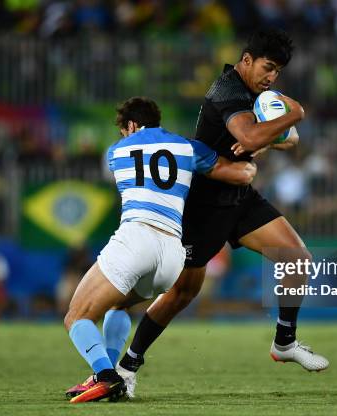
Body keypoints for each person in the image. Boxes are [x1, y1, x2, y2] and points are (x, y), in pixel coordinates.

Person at [114, 28, 329, 398]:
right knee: (182, 294)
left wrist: (271, 136)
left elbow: (287, 139)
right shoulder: (228, 90)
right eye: (268, 67)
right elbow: (251, 138)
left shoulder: (259, 95)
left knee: (296, 259)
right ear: (247, 60)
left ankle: (284, 342)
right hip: (205, 204)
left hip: (240, 197)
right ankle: (127, 365)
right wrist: (293, 115)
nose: (272, 77)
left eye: (278, 71)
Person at [63, 96, 257, 403]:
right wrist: (261, 145)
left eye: (123, 129)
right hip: (172, 255)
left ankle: (107, 377)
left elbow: (132, 170)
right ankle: (111, 372)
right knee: (118, 305)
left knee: (77, 317)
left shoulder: (116, 151)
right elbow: (240, 174)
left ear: (130, 125)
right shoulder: (187, 147)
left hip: (137, 238)